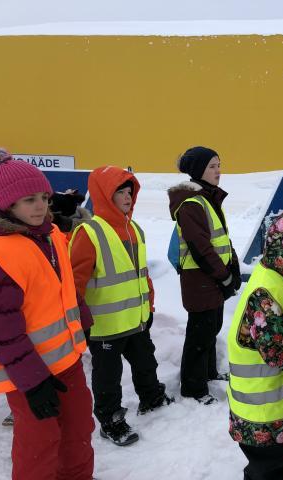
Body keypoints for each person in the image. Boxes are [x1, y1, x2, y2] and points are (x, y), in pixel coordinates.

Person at [0, 147, 94, 479]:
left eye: (44, 198)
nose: (40, 206)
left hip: (67, 361)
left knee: (79, 429)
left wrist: (83, 321)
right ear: (7, 205)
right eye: (28, 200)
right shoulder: (0, 253)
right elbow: (2, 329)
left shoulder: (51, 235)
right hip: (28, 374)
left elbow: (65, 287)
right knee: (39, 442)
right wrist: (33, 382)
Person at [70, 165, 172, 447]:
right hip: (105, 326)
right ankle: (110, 420)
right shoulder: (89, 233)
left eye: (130, 192)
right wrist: (78, 320)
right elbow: (75, 283)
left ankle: (151, 397)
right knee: (108, 377)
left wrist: (149, 306)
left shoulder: (134, 229)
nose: (128, 197)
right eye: (121, 192)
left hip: (136, 319)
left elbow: (141, 274)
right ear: (105, 195)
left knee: (145, 362)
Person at [227, 208, 283, 480]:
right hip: (262, 419)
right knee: (269, 472)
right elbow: (277, 353)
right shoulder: (265, 292)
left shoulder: (276, 275)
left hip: (271, 415)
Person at [168, 146, 241, 405]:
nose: (218, 171)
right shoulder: (192, 204)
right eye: (212, 166)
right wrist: (223, 276)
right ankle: (193, 387)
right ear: (198, 170)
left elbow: (221, 238)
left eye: (219, 165)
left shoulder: (208, 198)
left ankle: (208, 372)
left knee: (212, 327)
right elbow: (201, 248)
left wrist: (233, 266)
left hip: (212, 277)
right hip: (199, 279)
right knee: (199, 335)